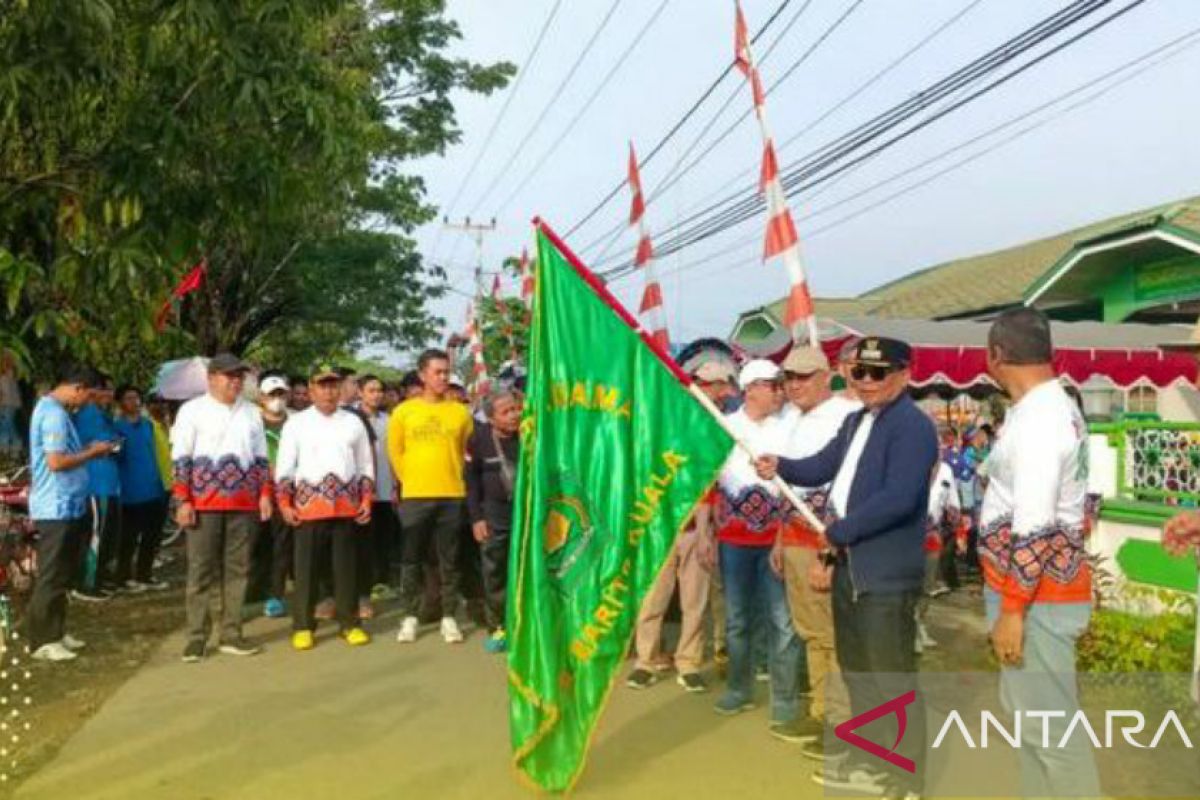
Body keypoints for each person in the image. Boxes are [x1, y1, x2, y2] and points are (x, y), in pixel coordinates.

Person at [756, 337, 937, 799]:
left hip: (884, 573)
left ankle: (907, 779)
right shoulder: (858, 420)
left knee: (890, 678)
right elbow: (821, 466)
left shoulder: (913, 427)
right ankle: (875, 763)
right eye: (859, 373)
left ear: (904, 374)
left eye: (879, 373)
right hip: (851, 570)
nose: (868, 382)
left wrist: (840, 532)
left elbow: (900, 498)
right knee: (858, 672)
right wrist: (782, 466)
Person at [976, 307, 1099, 799]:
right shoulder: (1049, 408)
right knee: (1033, 724)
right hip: (1036, 592)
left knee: (1052, 732)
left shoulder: (1041, 420)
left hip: (1037, 596)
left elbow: (1035, 524)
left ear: (997, 356)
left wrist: (1011, 610)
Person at [699, 359, 802, 739]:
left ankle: (786, 698)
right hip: (733, 541)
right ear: (751, 388)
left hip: (777, 540)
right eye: (772, 385)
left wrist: (782, 535)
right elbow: (709, 482)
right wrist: (705, 533)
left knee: (782, 621)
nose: (780, 391)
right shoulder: (726, 427)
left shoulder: (791, 426)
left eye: (780, 385)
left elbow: (796, 485)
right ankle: (739, 688)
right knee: (738, 620)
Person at [628, 358, 737, 694]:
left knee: (695, 599)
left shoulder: (721, 427)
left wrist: (705, 529)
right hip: (659, 525)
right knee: (653, 597)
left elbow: (710, 483)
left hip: (698, 525)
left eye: (712, 385)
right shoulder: (662, 422)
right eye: (702, 384)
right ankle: (645, 661)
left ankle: (688, 662)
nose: (705, 391)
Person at [773, 345, 861, 749]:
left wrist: (828, 554)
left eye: (804, 376)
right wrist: (779, 537)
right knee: (810, 631)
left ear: (827, 376)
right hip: (792, 537)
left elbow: (844, 493)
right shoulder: (792, 418)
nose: (794, 385)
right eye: (789, 377)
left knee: (832, 633)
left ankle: (840, 720)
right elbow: (787, 487)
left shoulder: (844, 418)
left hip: (823, 541)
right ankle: (821, 711)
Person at [171, 353, 272, 663]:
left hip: (243, 503)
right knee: (201, 570)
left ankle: (231, 632)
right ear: (212, 378)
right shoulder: (192, 411)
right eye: (229, 376)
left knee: (238, 569)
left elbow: (260, 459)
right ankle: (197, 637)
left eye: (239, 376)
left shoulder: (252, 413)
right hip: (204, 503)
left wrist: (265, 495)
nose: (235, 381)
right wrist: (183, 499)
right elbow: (180, 458)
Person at [276, 363, 375, 650]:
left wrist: (366, 499)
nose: (329, 391)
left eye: (334, 385)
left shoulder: (353, 422)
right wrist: (284, 502)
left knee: (346, 569)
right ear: (311, 389)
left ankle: (349, 623)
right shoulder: (296, 423)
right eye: (323, 385)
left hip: (345, 507)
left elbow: (365, 464)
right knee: (305, 570)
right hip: (308, 508)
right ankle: (303, 625)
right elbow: (284, 466)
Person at [27, 366, 116, 662]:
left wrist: (89, 450)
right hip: (55, 505)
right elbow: (55, 462)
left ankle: (56, 630)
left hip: (68, 503)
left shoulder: (57, 410)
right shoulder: (53, 414)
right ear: (77, 388)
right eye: (88, 396)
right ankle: (41, 639)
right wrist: (92, 453)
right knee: (51, 574)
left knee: (64, 573)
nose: (87, 402)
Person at [388, 349, 473, 644]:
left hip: (451, 495)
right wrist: (410, 480)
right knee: (411, 558)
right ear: (422, 374)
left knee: (449, 559)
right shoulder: (403, 412)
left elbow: (464, 451)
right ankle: (410, 615)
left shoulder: (460, 412)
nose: (442, 377)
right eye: (437, 372)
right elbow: (395, 452)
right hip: (415, 496)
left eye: (446, 372)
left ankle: (449, 616)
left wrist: (452, 475)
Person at [465, 390, 520, 654]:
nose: (514, 415)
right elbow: (471, 482)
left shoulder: (530, 434)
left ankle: (528, 622)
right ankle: (498, 625)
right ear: (490, 418)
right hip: (494, 516)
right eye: (506, 412)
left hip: (527, 514)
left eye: (515, 409)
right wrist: (477, 518)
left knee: (526, 569)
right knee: (495, 570)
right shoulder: (479, 439)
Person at [112, 385, 169, 592]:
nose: (134, 402)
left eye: (136, 397)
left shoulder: (148, 426)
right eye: (128, 398)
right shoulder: (116, 428)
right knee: (128, 537)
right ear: (120, 403)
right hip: (130, 491)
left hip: (154, 487)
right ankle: (123, 577)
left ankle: (145, 574)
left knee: (152, 535)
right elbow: (116, 456)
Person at [73, 375, 122, 598]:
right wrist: (110, 445)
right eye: (106, 390)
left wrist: (112, 444)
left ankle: (99, 578)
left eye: (112, 391)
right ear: (93, 391)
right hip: (95, 484)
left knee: (107, 534)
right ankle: (87, 584)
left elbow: (113, 442)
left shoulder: (103, 415)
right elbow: (100, 445)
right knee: (96, 535)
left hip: (109, 484)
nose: (110, 395)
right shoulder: (88, 415)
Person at [359, 375, 399, 603]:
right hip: (363, 492)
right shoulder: (352, 418)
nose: (376, 395)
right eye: (371, 390)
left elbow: (395, 454)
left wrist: (396, 485)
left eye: (379, 390)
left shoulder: (391, 419)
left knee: (384, 538)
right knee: (365, 539)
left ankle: (381, 581)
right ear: (360, 393)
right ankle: (365, 582)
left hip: (386, 487)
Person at [257, 374, 291, 618]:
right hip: (255, 491)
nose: (276, 400)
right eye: (272, 395)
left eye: (280, 394)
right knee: (257, 545)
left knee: (282, 545)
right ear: (261, 397)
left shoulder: (297, 423)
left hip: (287, 491)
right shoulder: (251, 424)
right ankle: (253, 591)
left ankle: (275, 594)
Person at [918, 456, 959, 652]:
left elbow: (953, 505)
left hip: (932, 538)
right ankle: (904, 629)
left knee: (927, 586)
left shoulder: (945, 470)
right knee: (904, 585)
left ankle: (919, 626)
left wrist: (954, 533)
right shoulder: (902, 460)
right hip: (903, 535)